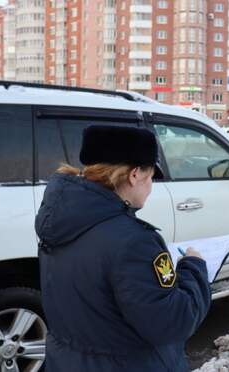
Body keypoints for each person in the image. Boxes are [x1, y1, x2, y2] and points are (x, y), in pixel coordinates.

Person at [36, 125, 211, 371]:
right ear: (135, 175)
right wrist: (194, 267)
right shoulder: (135, 241)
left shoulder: (59, 221)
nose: (150, 187)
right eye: (151, 177)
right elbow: (172, 323)